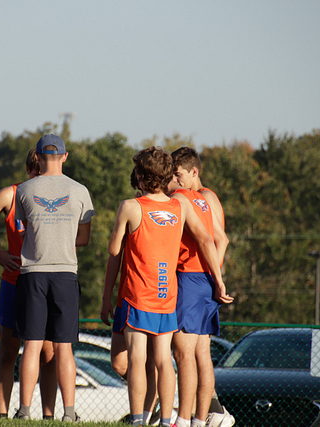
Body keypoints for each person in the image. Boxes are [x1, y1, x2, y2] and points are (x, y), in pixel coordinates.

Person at [13, 134, 94, 422]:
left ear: (36, 157)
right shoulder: (80, 190)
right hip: (65, 273)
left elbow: (24, 229)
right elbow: (83, 239)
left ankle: (24, 411)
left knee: (31, 345)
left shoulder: (23, 189)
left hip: (32, 273)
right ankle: (68, 413)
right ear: (65, 156)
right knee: (64, 347)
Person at [105, 147, 183, 427]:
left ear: (140, 175)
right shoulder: (179, 206)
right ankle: (166, 420)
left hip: (138, 294)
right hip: (166, 294)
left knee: (137, 359)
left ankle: (138, 419)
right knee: (163, 360)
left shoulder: (131, 206)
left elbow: (113, 249)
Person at [0, 148, 58, 419]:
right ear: (29, 171)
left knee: (48, 354)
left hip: (46, 282)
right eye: (36, 174)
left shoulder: (56, 198)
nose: (40, 180)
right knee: (8, 351)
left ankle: (49, 416)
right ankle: (3, 415)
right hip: (14, 281)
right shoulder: (10, 195)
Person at [169, 147, 234, 427]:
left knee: (184, 354)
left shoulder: (193, 197)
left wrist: (214, 276)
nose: (174, 179)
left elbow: (218, 239)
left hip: (193, 278)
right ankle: (204, 416)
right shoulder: (201, 198)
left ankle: (186, 419)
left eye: (177, 174)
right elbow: (217, 238)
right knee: (200, 354)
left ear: (193, 171)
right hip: (203, 279)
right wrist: (213, 278)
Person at [101, 169, 160, 425]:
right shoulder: (132, 209)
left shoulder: (168, 210)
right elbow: (114, 255)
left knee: (148, 360)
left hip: (152, 296)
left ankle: (145, 414)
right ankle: (149, 405)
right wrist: (106, 297)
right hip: (126, 296)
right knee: (120, 363)